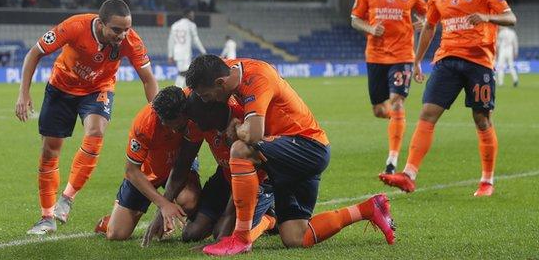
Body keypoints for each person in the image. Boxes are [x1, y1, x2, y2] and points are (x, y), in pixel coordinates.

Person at [186, 55, 395, 256]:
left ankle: (240, 239)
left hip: (307, 147)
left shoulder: (256, 78)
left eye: (205, 96)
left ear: (221, 83)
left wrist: (237, 128)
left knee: (241, 150)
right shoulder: (224, 70)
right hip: (286, 155)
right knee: (295, 237)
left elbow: (254, 133)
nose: (205, 101)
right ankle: (369, 208)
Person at [379, 0, 517, 197]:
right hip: (447, 60)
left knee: (482, 119)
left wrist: (487, 17)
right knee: (427, 113)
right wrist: (417, 59)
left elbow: (510, 18)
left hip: (479, 62)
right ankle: (409, 175)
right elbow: (430, 27)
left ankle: (487, 181)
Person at [15, 0, 159, 235]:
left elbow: (148, 79)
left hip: (98, 89)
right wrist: (24, 93)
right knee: (50, 150)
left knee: (95, 131)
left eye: (127, 29)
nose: (123, 35)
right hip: (61, 89)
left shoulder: (130, 41)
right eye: (116, 29)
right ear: (101, 24)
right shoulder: (75, 26)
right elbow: (34, 53)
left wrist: (157, 115)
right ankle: (47, 217)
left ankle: (67, 199)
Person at [141, 93, 276, 246]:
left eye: (195, 118)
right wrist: (162, 209)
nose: (192, 123)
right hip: (226, 175)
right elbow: (182, 166)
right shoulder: (200, 123)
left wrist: (219, 240)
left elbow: (242, 181)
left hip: (255, 180)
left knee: (226, 233)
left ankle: (270, 218)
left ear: (210, 112)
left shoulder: (239, 126)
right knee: (191, 233)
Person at [351, 0, 427, 174]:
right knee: (378, 109)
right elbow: (355, 19)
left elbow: (427, 15)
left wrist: (421, 24)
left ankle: (392, 161)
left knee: (396, 101)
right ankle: (398, 122)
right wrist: (371, 28)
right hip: (375, 55)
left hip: (403, 55)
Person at [93, 86, 204, 240]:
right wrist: (163, 204)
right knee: (116, 234)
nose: (173, 131)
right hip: (149, 171)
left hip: (179, 164)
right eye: (167, 125)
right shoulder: (144, 124)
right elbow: (132, 171)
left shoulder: (193, 108)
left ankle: (169, 220)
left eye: (178, 126)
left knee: (189, 201)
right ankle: (109, 222)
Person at [167, 8, 206, 88]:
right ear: (188, 15)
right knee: (183, 72)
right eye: (192, 14)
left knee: (185, 72)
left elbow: (170, 41)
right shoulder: (191, 25)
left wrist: (170, 55)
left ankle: (183, 91)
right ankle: (177, 90)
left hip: (177, 52)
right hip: (185, 52)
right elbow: (196, 39)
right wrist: (203, 51)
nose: (193, 16)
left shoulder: (175, 25)